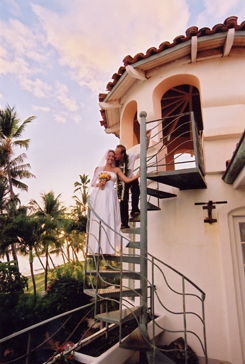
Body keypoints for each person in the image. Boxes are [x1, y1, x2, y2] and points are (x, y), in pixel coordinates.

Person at [87, 150, 140, 256]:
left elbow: (126, 180)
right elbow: (92, 183)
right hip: (100, 195)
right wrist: (100, 184)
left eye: (112, 156)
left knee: (109, 218)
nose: (111, 158)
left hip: (110, 196)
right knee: (99, 218)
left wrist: (138, 175)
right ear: (106, 157)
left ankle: (108, 250)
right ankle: (97, 248)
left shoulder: (116, 170)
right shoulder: (98, 169)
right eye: (109, 156)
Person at [114, 131, 150, 229]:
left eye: (117, 154)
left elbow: (144, 151)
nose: (115, 155)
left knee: (136, 188)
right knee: (123, 201)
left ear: (123, 154)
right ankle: (124, 223)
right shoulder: (114, 162)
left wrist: (147, 138)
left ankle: (135, 209)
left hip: (131, 178)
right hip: (121, 183)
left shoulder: (131, 156)